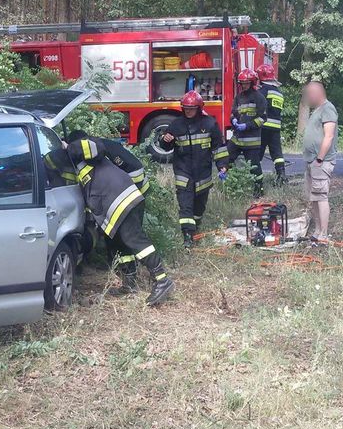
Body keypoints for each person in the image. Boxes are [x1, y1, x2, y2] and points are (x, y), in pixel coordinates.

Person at [65, 135, 174, 306]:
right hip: (116, 203)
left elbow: (97, 146)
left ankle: (161, 279)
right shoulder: (77, 166)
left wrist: (69, 147)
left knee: (134, 239)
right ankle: (129, 283)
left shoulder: (84, 151)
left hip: (123, 199)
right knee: (118, 243)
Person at [158, 91, 229, 249]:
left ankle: (195, 227)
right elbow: (165, 145)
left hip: (203, 174)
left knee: (199, 208)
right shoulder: (176, 125)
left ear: (199, 108)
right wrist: (165, 140)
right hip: (183, 172)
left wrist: (222, 165)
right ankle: (187, 237)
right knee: (186, 206)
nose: (188, 111)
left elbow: (218, 147)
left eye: (191, 108)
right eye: (185, 108)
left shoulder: (209, 124)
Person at [301, 81, 338, 243]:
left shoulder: (328, 109)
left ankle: (323, 234)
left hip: (320, 162)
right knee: (314, 197)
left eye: (310, 94)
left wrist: (320, 159)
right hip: (312, 161)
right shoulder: (317, 110)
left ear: (318, 93)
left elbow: (328, 136)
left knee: (321, 197)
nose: (308, 97)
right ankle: (317, 231)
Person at [66, 130, 148, 193]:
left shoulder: (93, 148)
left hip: (134, 179)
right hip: (141, 180)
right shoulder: (100, 143)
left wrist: (68, 148)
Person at [228, 68, 267, 197]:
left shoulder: (259, 98)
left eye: (246, 83)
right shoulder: (238, 97)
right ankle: (230, 185)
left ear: (252, 82)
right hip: (237, 138)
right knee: (226, 158)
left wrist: (247, 126)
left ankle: (259, 190)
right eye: (242, 83)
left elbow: (262, 119)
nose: (243, 85)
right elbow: (233, 113)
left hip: (251, 140)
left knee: (254, 167)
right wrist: (233, 120)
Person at [255, 63, 286, 182]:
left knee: (258, 153)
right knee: (277, 153)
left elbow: (257, 106)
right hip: (276, 127)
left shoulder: (263, 91)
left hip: (264, 126)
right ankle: (281, 175)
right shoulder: (279, 93)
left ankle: (256, 177)